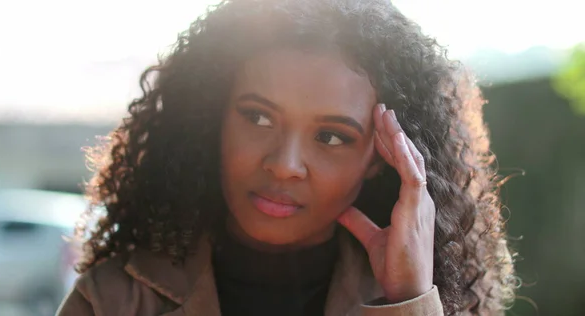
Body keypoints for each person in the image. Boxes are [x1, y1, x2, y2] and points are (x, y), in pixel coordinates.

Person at [56, 0, 517, 315]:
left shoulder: (418, 300)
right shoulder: (112, 300)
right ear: (212, 120)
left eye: (331, 137)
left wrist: (409, 299)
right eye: (258, 118)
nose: (284, 164)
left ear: (380, 159)